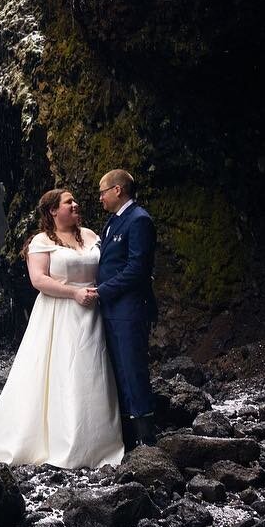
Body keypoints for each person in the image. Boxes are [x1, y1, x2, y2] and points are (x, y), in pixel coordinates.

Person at [0, 188, 124, 469]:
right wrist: (74, 293)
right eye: (69, 203)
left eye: (75, 201)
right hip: (59, 312)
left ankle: (98, 443)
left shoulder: (91, 235)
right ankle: (59, 441)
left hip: (94, 311)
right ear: (53, 211)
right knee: (60, 371)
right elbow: (38, 280)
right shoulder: (41, 242)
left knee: (93, 370)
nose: (76, 205)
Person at [95, 169, 158, 448]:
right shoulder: (112, 223)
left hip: (129, 309)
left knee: (133, 369)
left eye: (102, 192)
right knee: (118, 370)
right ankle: (128, 436)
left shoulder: (139, 220)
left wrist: (101, 291)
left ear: (118, 190)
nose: (100, 198)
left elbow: (137, 269)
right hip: (112, 309)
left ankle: (146, 437)